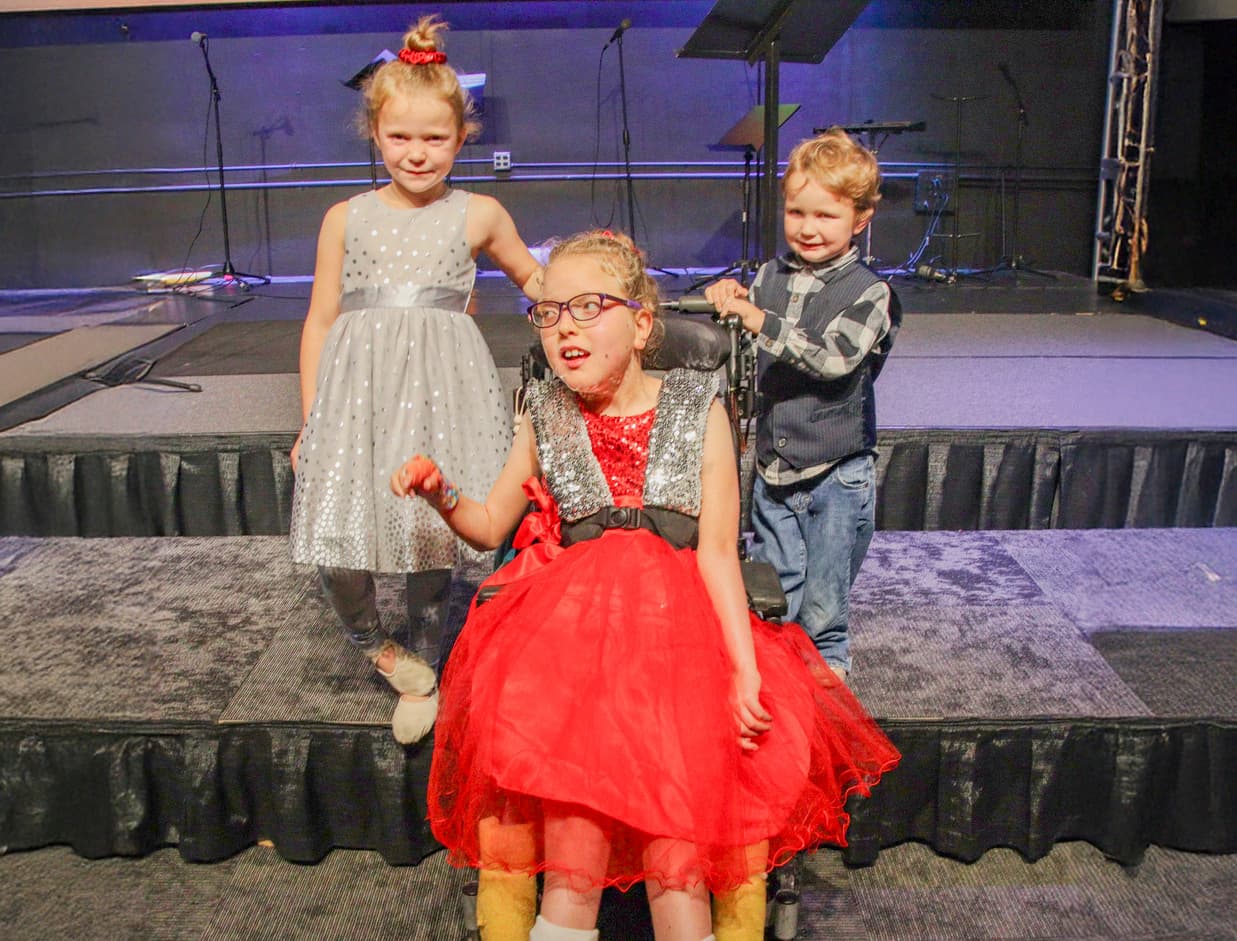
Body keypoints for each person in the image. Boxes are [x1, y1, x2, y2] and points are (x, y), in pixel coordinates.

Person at [392, 230, 899, 941]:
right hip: (570, 646)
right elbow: (486, 526)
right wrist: (440, 491)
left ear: (638, 324)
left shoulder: (697, 406)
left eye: (587, 306)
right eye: (549, 311)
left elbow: (719, 553)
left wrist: (744, 669)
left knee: (678, 864)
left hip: (675, 642)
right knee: (572, 855)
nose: (564, 324)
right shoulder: (544, 411)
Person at [289, 15, 542, 745]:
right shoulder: (346, 217)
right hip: (355, 399)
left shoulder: (480, 212)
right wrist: (311, 418)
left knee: (430, 540)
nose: (417, 152)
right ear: (374, 133)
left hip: (442, 394)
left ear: (463, 137)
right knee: (340, 546)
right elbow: (318, 320)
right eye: (401, 136)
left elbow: (535, 280)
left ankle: (427, 655)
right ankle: (383, 650)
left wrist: (589, 289)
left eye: (435, 137)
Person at [705, 128, 902, 682]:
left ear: (860, 219)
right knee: (773, 592)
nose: (808, 228)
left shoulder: (870, 292)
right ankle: (776, 689)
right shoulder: (770, 275)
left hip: (837, 474)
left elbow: (834, 359)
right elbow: (747, 334)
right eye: (797, 212)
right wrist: (732, 298)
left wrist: (759, 320)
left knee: (824, 609)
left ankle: (826, 702)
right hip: (774, 468)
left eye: (825, 216)